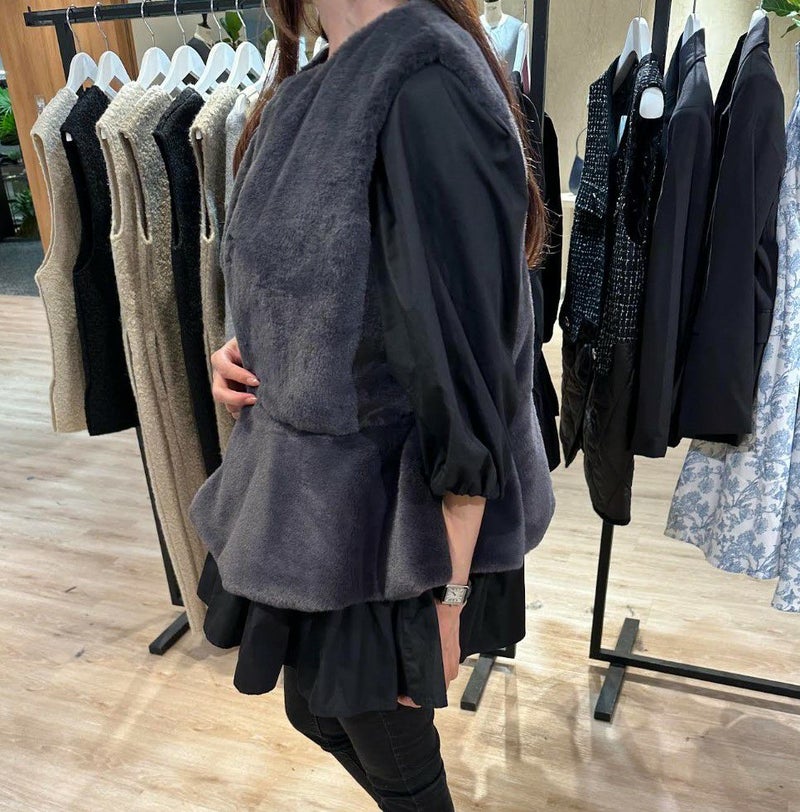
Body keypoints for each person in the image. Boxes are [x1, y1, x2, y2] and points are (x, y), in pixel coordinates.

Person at [188, 0, 555, 808]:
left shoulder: (423, 82)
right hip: (312, 500)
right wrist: (252, 346)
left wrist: (449, 598)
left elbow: (472, 371)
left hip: (396, 528)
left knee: (390, 755)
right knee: (316, 712)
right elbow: (328, 278)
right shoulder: (322, 77)